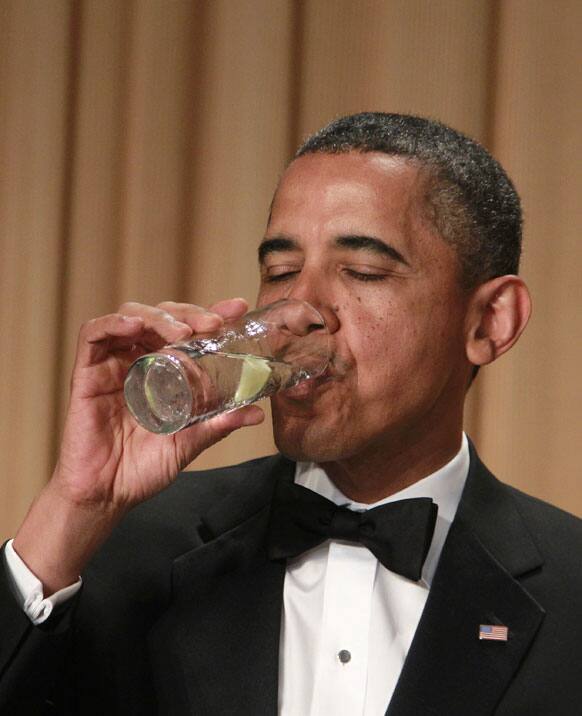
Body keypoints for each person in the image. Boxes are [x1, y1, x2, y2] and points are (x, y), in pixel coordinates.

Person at [1, 112, 581, 716]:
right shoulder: (125, 545)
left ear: (491, 322)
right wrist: (74, 507)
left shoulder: (572, 591)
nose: (300, 310)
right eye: (280, 272)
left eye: (363, 272)